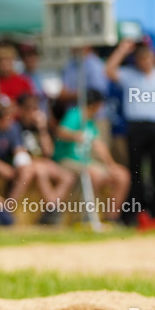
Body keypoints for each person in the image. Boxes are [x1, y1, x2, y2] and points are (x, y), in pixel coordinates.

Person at [105, 39, 155, 222]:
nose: (145, 62)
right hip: (136, 127)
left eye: (147, 57)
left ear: (153, 58)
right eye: (141, 58)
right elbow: (108, 70)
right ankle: (134, 214)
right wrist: (123, 49)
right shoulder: (130, 75)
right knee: (135, 172)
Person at [0, 95, 74, 210]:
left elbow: (47, 153)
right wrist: (1, 166)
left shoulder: (14, 127)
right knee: (37, 172)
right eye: (29, 108)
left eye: (35, 108)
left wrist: (42, 128)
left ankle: (52, 209)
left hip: (36, 162)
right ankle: (8, 208)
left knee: (67, 177)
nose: (33, 112)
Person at [52, 90, 130, 223]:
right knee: (96, 174)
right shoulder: (75, 114)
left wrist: (111, 165)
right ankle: (87, 216)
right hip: (67, 159)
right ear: (97, 105)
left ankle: (112, 218)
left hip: (86, 161)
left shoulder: (91, 121)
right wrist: (75, 135)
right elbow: (60, 132)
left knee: (122, 176)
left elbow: (99, 146)